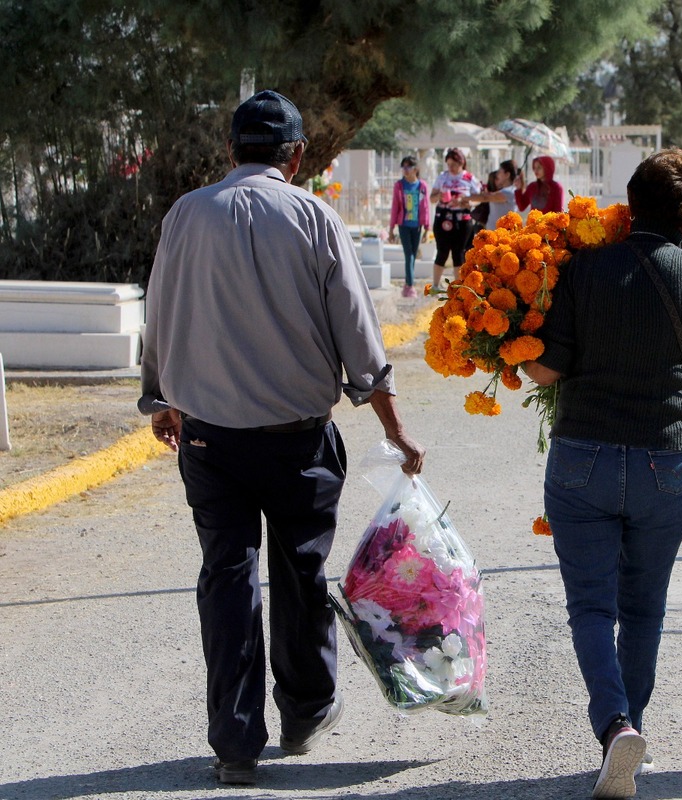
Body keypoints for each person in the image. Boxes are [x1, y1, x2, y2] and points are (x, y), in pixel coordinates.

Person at [138, 90, 426, 787]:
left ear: (231, 150)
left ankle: (235, 745)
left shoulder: (186, 214)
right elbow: (359, 334)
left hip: (210, 442)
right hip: (298, 442)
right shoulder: (314, 217)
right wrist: (394, 427)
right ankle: (303, 713)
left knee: (227, 579)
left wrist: (160, 398)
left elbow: (160, 306)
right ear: (295, 156)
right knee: (300, 573)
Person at [523, 148, 682, 799]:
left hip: (584, 457)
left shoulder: (585, 266)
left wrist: (509, 344)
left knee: (590, 605)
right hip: (668, 463)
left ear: (628, 205)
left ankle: (614, 725)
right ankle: (627, 729)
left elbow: (546, 368)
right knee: (644, 609)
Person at [429, 147, 481, 288]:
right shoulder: (442, 177)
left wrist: (465, 200)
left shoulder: (469, 178)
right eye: (449, 164)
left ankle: (459, 285)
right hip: (443, 219)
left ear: (461, 163)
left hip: (462, 221)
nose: (451, 168)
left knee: (459, 253)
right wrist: (440, 196)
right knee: (442, 251)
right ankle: (435, 284)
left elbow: (478, 198)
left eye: (454, 165)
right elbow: (431, 198)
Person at [388, 155, 430, 297]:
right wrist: (391, 228)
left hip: (417, 225)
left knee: (413, 253)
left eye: (409, 167)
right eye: (404, 167)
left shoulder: (422, 186)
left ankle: (407, 284)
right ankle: (410, 285)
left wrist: (426, 228)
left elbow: (425, 206)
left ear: (415, 169)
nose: (406, 170)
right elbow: (395, 207)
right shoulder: (399, 186)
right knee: (408, 254)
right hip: (404, 225)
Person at [465, 159, 518, 230]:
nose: (497, 174)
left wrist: (464, 197)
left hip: (503, 235)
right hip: (494, 232)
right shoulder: (504, 191)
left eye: (500, 172)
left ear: (507, 175)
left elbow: (485, 198)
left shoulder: (509, 192)